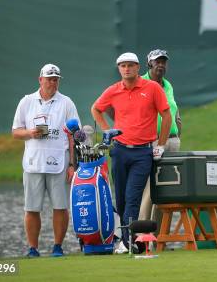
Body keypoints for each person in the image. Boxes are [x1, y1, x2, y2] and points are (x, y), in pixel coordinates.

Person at [91, 52, 171, 253]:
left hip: (143, 153)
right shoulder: (113, 90)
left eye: (130, 65)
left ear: (137, 68)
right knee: (121, 198)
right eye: (123, 66)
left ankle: (128, 242)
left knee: (132, 197)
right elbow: (96, 109)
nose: (126, 69)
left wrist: (160, 145)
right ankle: (127, 239)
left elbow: (166, 116)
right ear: (119, 69)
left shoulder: (152, 88)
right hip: (119, 151)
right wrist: (106, 130)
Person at [12, 64, 79, 258]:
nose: (53, 82)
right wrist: (30, 133)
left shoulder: (67, 103)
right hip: (33, 162)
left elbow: (73, 136)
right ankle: (33, 249)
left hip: (59, 161)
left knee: (60, 206)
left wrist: (72, 165)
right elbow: (16, 132)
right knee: (31, 207)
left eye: (56, 79)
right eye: (49, 78)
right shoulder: (26, 101)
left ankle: (57, 247)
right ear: (40, 80)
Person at [138, 49, 182, 228]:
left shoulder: (168, 85)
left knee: (167, 188)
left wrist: (178, 131)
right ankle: (141, 232)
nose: (161, 65)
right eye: (157, 61)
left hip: (172, 141)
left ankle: (158, 235)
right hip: (152, 141)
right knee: (149, 188)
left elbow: (174, 110)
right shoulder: (141, 83)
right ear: (149, 63)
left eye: (164, 62)